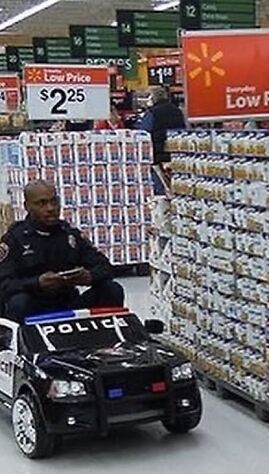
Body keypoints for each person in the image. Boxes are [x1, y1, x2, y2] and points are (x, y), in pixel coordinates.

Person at [0, 181, 124, 322]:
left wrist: (89, 276)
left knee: (112, 289)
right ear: (27, 206)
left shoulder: (69, 235)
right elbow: (4, 285)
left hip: (68, 303)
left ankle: (111, 334)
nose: (50, 208)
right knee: (18, 302)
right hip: (33, 306)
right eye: (42, 203)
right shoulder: (14, 239)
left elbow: (105, 267)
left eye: (54, 201)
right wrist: (37, 283)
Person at [137, 86, 186, 194]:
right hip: (176, 154)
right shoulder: (177, 111)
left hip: (157, 155)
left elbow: (143, 133)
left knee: (161, 187)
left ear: (153, 98)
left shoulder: (152, 113)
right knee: (177, 185)